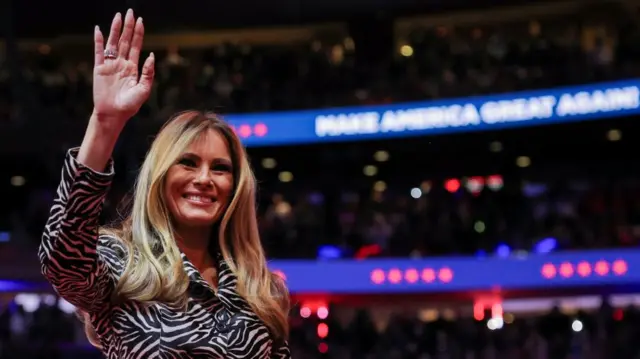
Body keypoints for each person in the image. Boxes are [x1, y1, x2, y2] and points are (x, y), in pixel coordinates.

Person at [38, 9, 291, 359]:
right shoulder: (120, 263)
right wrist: (105, 123)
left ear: (236, 186)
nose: (204, 179)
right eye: (187, 163)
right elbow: (60, 258)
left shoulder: (263, 288)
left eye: (220, 168)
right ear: (160, 176)